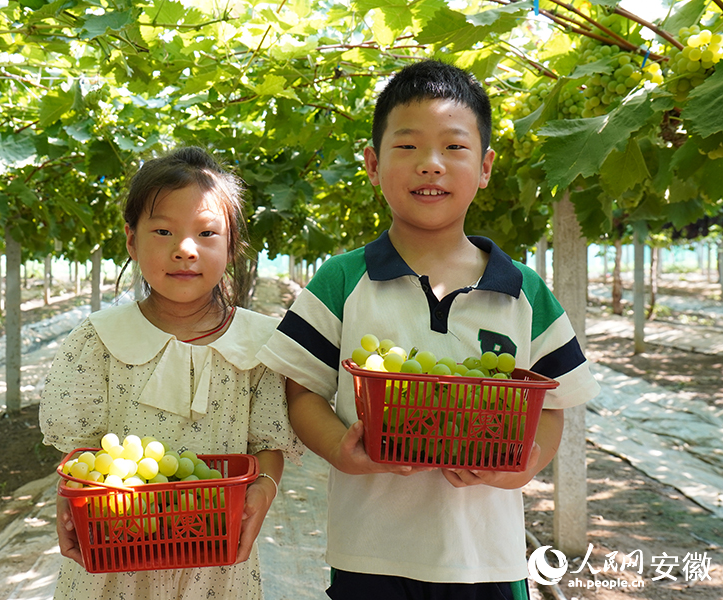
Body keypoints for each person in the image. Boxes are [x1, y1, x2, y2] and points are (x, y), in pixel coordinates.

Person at [257, 60, 601, 599]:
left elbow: (552, 405)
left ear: (485, 167)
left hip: (487, 559)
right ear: (372, 164)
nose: (431, 165)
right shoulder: (341, 280)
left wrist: (521, 467)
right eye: (408, 147)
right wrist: (340, 450)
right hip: (368, 554)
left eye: (455, 148)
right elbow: (302, 391)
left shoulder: (525, 292)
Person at [40, 146, 304, 600]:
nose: (185, 250)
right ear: (130, 239)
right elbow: (84, 454)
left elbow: (268, 444)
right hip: (116, 556)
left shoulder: (262, 345)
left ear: (232, 244)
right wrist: (70, 498)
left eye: (206, 233)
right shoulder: (98, 340)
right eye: (162, 231)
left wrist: (265, 485)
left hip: (215, 564)